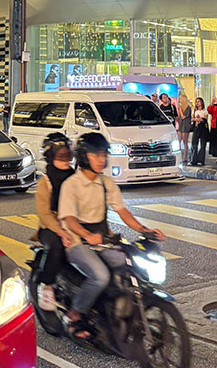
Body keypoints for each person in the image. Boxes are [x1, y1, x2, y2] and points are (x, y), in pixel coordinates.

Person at [57, 133, 165, 338]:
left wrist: (145, 230)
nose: (101, 159)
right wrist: (87, 235)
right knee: (100, 276)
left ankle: (115, 310)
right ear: (84, 156)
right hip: (77, 241)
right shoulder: (72, 184)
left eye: (103, 155)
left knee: (127, 264)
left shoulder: (106, 183)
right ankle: (74, 314)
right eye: (96, 155)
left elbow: (123, 212)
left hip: (102, 241)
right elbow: (69, 219)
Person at [33, 134, 76, 311]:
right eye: (61, 156)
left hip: (74, 224)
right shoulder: (46, 182)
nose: (66, 160)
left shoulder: (76, 178)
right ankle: (47, 286)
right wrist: (61, 231)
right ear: (51, 157)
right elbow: (44, 214)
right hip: (51, 227)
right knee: (57, 245)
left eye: (68, 156)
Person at [189, 97, 208, 166]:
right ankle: (193, 160)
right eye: (196, 102)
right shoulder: (194, 110)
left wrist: (201, 119)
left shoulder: (205, 111)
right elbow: (192, 118)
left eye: (198, 101)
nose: (197, 103)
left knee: (203, 144)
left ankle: (201, 160)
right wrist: (195, 119)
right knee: (194, 144)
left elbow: (205, 119)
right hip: (196, 127)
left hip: (202, 128)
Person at [206, 95, 217, 160]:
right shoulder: (215, 105)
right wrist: (212, 102)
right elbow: (209, 111)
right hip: (214, 124)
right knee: (215, 140)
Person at [176, 93, 192, 160]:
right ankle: (179, 155)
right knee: (179, 140)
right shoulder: (180, 107)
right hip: (181, 125)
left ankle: (185, 156)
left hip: (185, 126)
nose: (179, 100)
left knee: (185, 142)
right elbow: (179, 116)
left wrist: (180, 109)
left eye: (180, 99)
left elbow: (183, 116)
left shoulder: (188, 108)